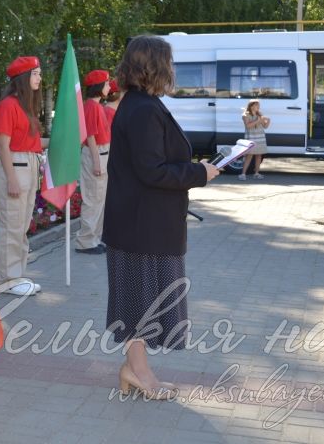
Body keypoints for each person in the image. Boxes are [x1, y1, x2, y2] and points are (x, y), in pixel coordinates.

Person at [103, 35, 219, 400]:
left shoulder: (143, 105)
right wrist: (199, 173)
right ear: (153, 66)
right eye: (168, 62)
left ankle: (137, 371)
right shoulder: (141, 109)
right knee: (140, 303)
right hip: (141, 227)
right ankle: (137, 373)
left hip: (145, 224)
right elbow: (152, 171)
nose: (172, 69)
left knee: (143, 300)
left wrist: (195, 169)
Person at [0, 56, 48, 296]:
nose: (39, 78)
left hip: (28, 163)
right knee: (12, 225)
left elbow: (33, 143)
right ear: (24, 78)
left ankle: (16, 275)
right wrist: (12, 178)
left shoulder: (26, 107)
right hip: (14, 166)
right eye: (35, 74)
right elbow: (3, 145)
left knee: (21, 226)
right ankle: (9, 279)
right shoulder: (8, 105)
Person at [76, 69, 112, 255]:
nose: (109, 86)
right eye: (106, 83)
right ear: (99, 86)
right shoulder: (91, 106)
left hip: (101, 152)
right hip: (95, 153)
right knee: (92, 198)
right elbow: (90, 136)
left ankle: (94, 238)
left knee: (99, 199)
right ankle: (85, 241)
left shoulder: (96, 105)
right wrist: (97, 163)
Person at [239, 99, 270, 181]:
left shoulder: (259, 115)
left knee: (259, 155)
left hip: (260, 138)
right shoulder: (245, 115)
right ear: (251, 106)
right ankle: (243, 174)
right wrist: (258, 120)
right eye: (256, 105)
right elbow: (248, 126)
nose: (258, 107)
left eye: (258, 105)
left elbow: (265, 126)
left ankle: (256, 173)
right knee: (249, 156)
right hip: (251, 139)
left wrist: (268, 121)